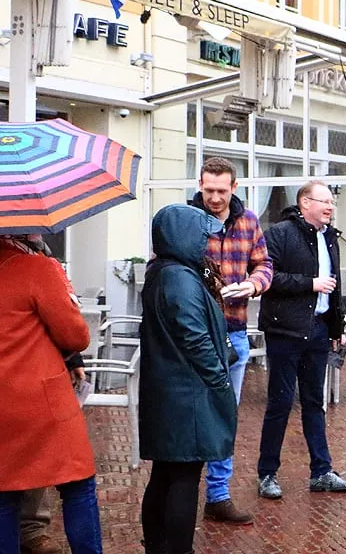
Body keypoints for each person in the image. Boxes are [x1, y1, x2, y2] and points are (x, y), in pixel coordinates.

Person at [138, 204, 238, 554]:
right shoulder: (178, 278)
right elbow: (193, 336)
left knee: (166, 473)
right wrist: (219, 380)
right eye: (201, 236)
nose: (206, 243)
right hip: (186, 394)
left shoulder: (167, 272)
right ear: (182, 236)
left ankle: (157, 545)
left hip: (172, 391)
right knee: (183, 476)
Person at [0, 234, 103, 554]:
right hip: (42, 400)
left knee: (4, 495)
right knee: (77, 485)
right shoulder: (36, 268)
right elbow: (75, 335)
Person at [256, 182, 346, 499]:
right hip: (285, 331)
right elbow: (266, 277)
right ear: (304, 203)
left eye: (331, 201)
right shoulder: (280, 234)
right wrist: (309, 283)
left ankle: (322, 471)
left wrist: (336, 325)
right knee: (281, 402)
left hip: (317, 331)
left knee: (315, 403)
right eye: (323, 201)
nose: (329, 206)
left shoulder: (330, 237)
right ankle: (267, 474)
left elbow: (335, 285)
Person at [189, 157, 273, 525]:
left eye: (222, 191)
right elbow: (162, 266)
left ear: (234, 188)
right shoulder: (185, 219)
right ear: (200, 185)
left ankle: (218, 495)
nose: (215, 198)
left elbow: (264, 264)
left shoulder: (249, 221)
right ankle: (183, 493)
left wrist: (253, 284)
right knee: (192, 414)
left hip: (235, 332)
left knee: (226, 416)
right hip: (197, 336)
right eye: (209, 190)